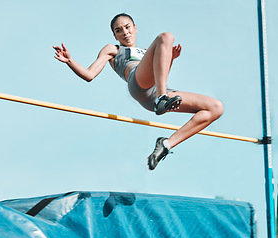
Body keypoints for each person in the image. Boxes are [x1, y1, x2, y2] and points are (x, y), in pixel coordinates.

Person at [53, 13, 223, 170]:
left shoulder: (147, 52)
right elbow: (89, 75)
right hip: (138, 84)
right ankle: (162, 98)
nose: (125, 33)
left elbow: (159, 76)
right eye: (119, 30)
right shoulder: (113, 49)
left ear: (135, 28)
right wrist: (70, 61)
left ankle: (166, 145)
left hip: (157, 92)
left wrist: (170, 59)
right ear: (114, 36)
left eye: (127, 27)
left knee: (215, 107)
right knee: (166, 36)